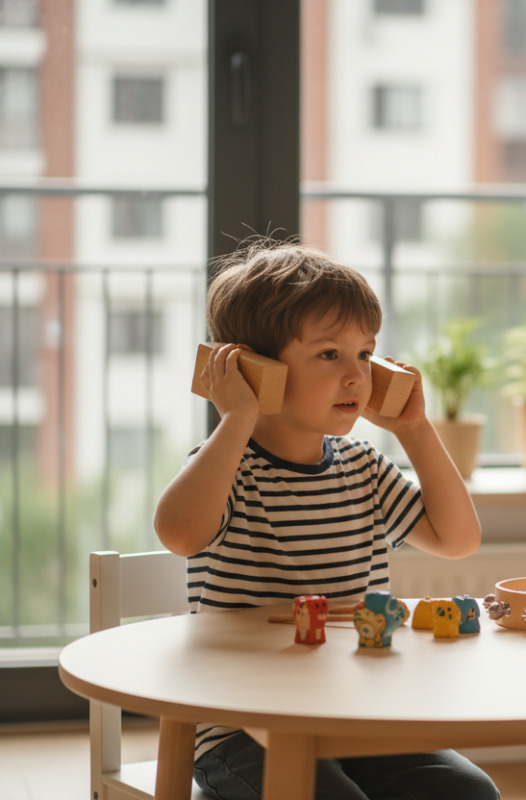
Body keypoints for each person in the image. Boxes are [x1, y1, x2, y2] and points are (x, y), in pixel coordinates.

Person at [154, 238, 499, 800]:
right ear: (255, 367)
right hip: (242, 729)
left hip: (354, 714)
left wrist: (415, 430)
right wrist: (236, 416)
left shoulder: (364, 467)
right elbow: (179, 533)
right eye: (329, 355)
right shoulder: (227, 468)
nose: (357, 376)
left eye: (365, 354)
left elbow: (458, 539)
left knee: (467, 792)